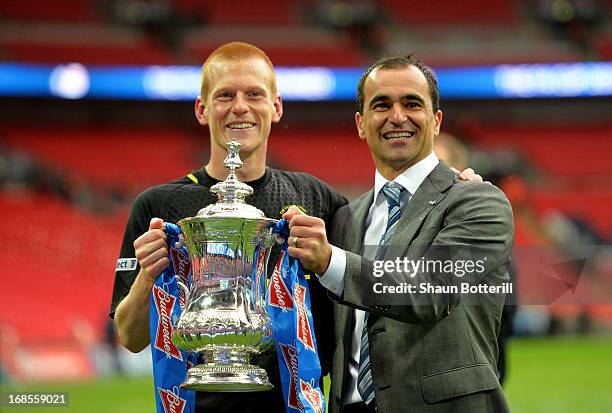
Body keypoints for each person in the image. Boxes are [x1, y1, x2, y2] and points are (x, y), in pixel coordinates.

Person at [109, 41, 347, 412]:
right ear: (202, 110)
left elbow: (368, 282)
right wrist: (148, 277)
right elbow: (130, 336)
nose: (240, 107)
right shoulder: (158, 206)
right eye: (225, 96)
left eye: (254, 94)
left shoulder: (317, 199)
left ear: (276, 106)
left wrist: (459, 189)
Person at [283, 55, 514, 412]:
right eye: (381, 105)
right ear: (361, 124)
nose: (396, 116)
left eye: (411, 103)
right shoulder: (345, 218)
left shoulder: (478, 201)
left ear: (436, 121)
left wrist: (332, 262)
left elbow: (433, 290)